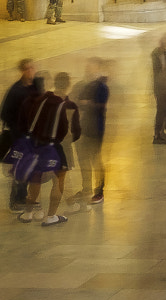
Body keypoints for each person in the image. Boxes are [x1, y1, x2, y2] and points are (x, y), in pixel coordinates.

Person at [12, 71, 82, 225]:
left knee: (35, 178)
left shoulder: (38, 101)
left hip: (36, 146)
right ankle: (51, 216)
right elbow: (72, 131)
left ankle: (28, 213)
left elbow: (25, 122)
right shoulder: (67, 104)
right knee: (59, 181)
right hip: (56, 147)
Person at [0, 58, 43, 210]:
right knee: (20, 168)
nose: (30, 71)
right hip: (20, 137)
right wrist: (18, 127)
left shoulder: (36, 86)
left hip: (33, 136)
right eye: (27, 69)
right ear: (22, 71)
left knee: (28, 167)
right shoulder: (15, 90)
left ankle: (23, 198)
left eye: (32, 68)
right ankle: (16, 200)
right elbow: (3, 114)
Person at [73, 57, 109, 205]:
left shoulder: (101, 86)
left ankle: (99, 191)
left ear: (98, 68)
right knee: (83, 159)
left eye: (91, 66)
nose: (88, 69)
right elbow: (77, 100)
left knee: (95, 159)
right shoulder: (85, 85)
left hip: (96, 128)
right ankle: (86, 188)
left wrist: (86, 104)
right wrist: (85, 103)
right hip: (84, 127)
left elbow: (99, 106)